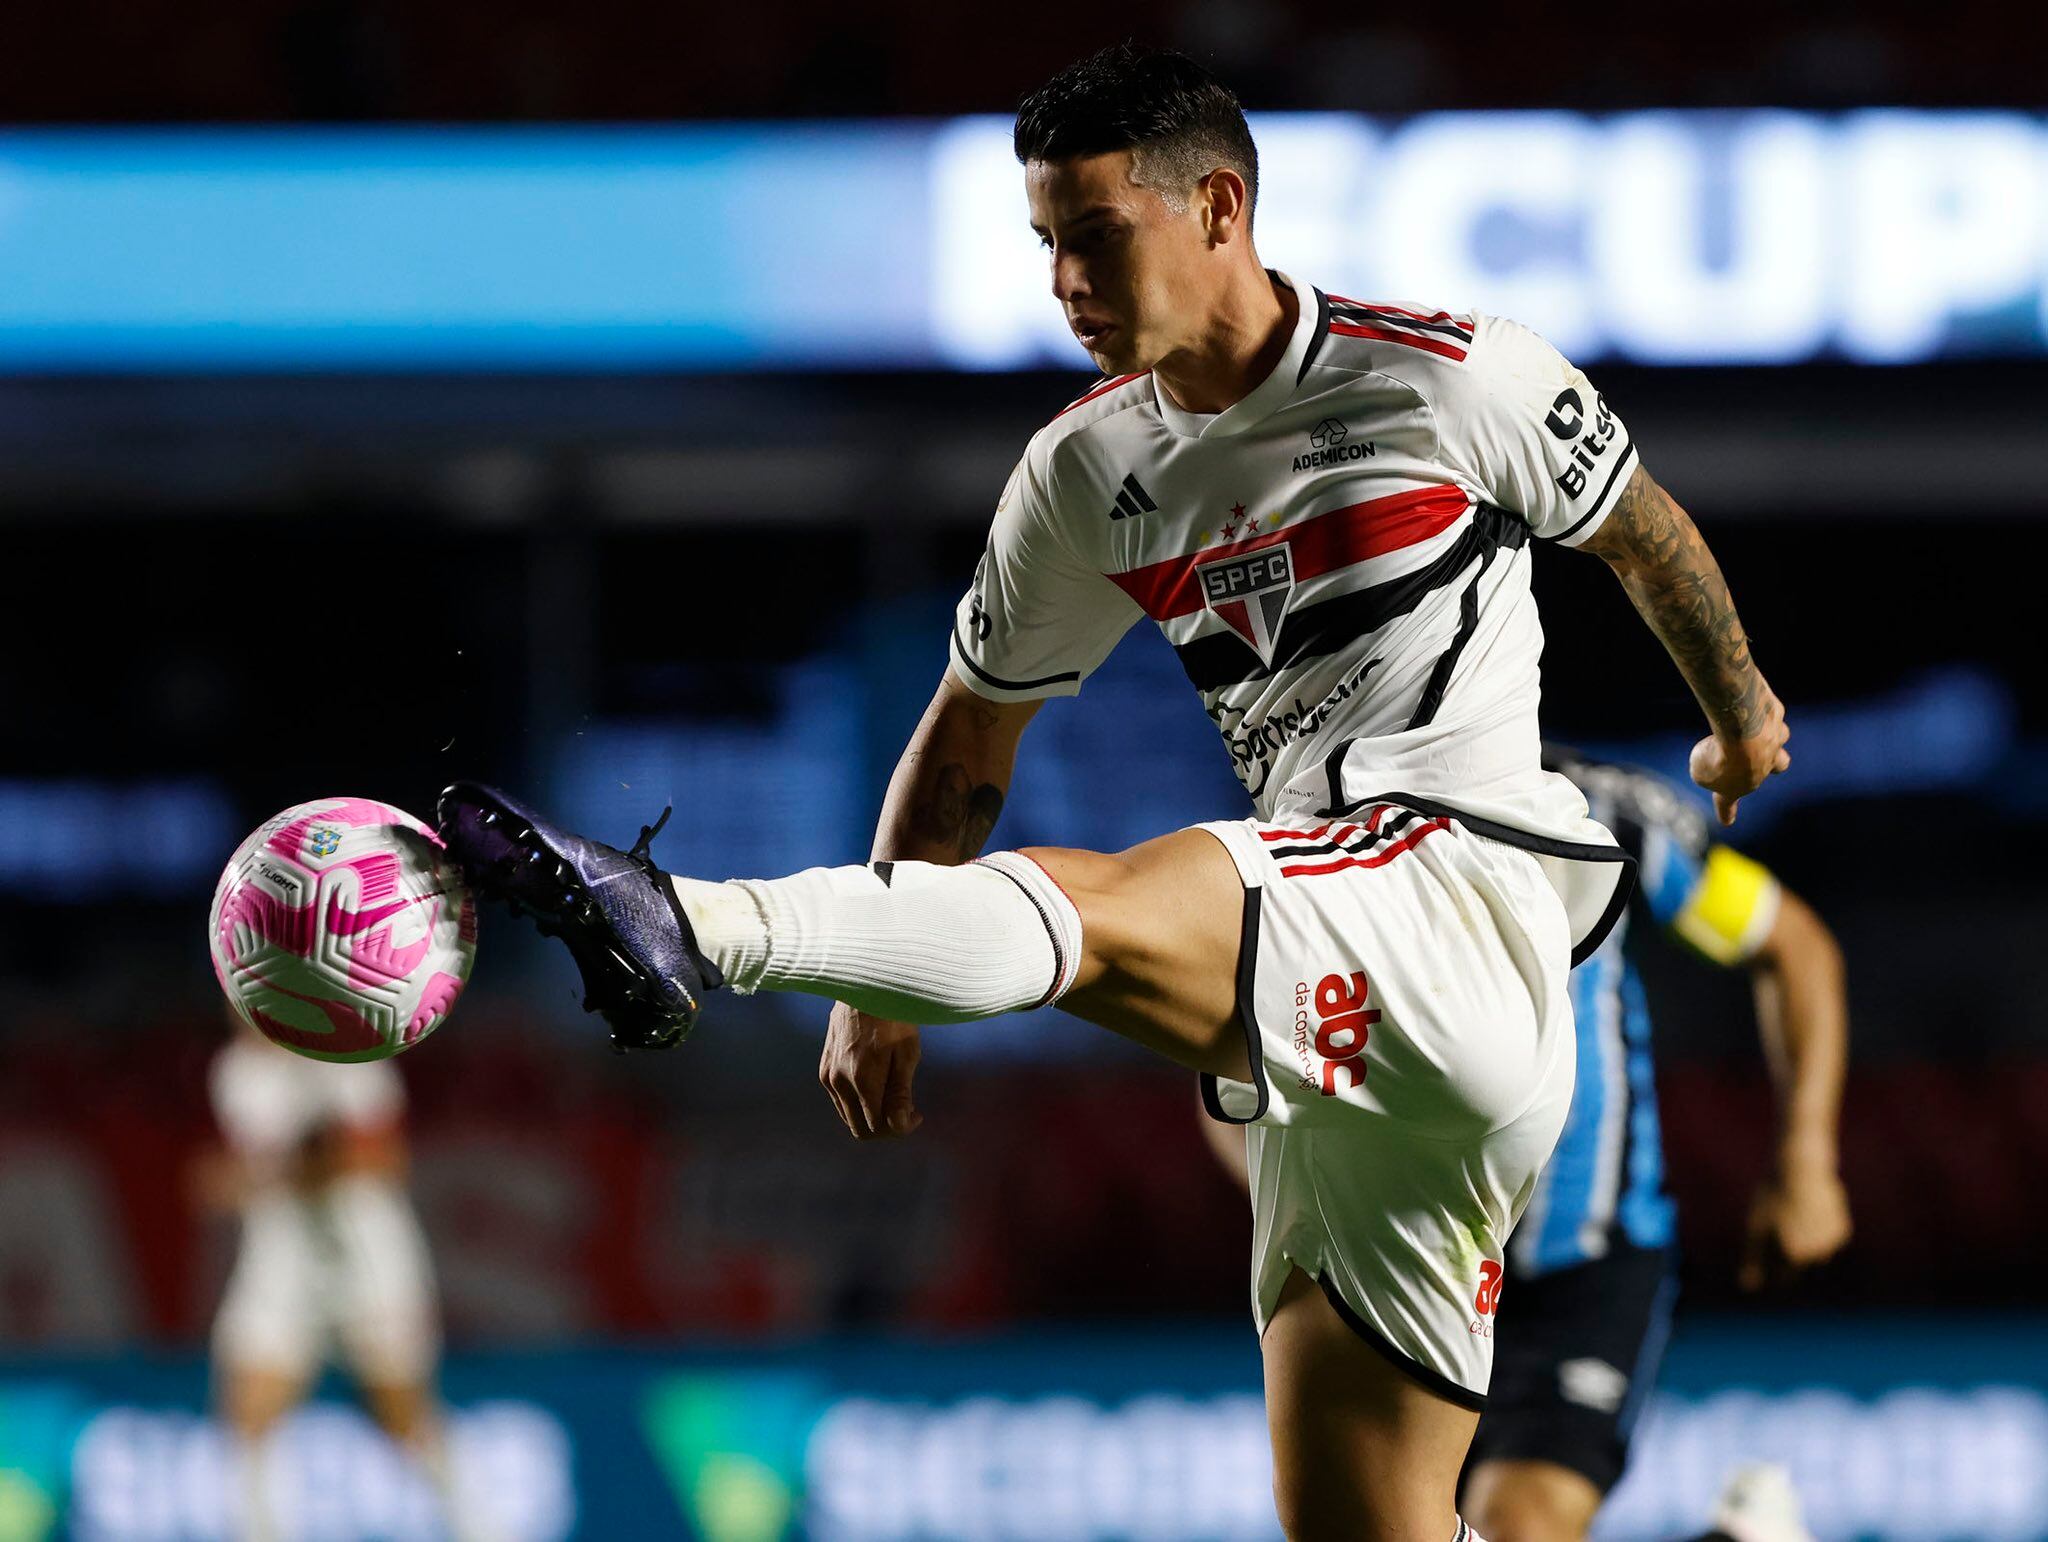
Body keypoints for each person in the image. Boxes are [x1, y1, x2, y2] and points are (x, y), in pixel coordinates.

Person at [440, 43, 1790, 1541]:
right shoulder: (1086, 473)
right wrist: (880, 986)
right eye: (1046, 246)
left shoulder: (1447, 373)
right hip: (1349, 1035)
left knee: (1095, 897)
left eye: (1094, 236)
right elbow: (968, 743)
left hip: (1464, 897)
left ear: (1219, 204)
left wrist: (1739, 719)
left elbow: (1645, 534)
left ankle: (686, 916)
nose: (1067, 281)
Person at [1200, 745, 1851, 1542]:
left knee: (1518, 1525)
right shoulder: (1315, 845)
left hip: (1584, 1268)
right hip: (1406, 1259)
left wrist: (1807, 1161)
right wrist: (1313, 1215)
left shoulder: (1613, 823)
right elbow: (1237, 1078)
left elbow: (1792, 947)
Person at [202, 1020, 476, 1542]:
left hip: (367, 1256)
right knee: (247, 1414)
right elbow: (242, 1171)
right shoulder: (235, 1071)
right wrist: (263, 1174)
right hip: (281, 1256)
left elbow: (383, 1159)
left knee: (405, 1418)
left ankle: (482, 1530)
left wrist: (275, 1171)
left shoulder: (350, 1055)